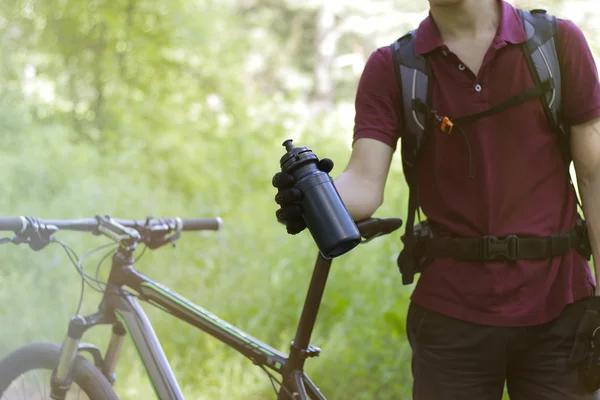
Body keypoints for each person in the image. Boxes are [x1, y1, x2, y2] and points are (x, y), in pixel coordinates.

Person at [273, 0, 600, 399]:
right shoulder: (393, 68)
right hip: (452, 321)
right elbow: (363, 183)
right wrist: (314, 195)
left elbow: (594, 174)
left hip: (561, 310)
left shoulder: (556, 43)